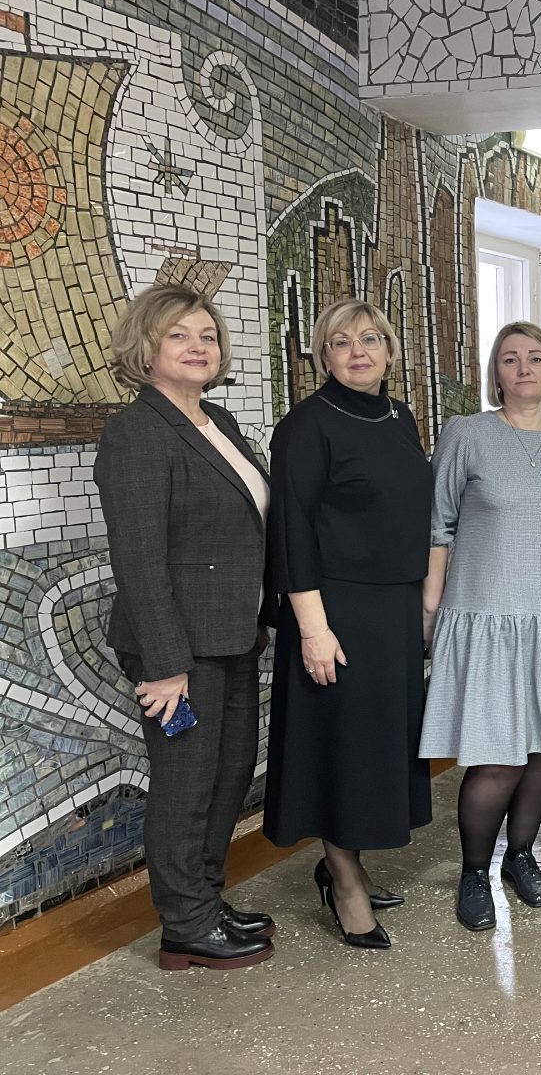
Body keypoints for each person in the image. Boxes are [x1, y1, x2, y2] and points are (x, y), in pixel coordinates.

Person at [95, 284, 275, 971]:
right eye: (179, 335)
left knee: (228, 776)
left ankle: (205, 899)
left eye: (207, 335)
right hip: (178, 650)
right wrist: (166, 665)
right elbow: (139, 559)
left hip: (231, 635)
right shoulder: (136, 432)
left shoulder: (216, 420)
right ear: (146, 348)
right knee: (185, 785)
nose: (199, 346)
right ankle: (185, 926)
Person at [263, 299, 432, 950]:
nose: (358, 351)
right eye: (341, 342)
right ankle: (344, 881)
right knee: (340, 748)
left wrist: (422, 606)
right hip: (333, 610)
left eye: (370, 339)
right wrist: (313, 629)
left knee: (372, 748)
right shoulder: (306, 425)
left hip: (392, 609)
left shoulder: (399, 417)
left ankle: (347, 861)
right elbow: (292, 532)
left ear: (389, 350)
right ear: (323, 355)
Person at [419, 322, 541, 932]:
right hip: (487, 615)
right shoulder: (466, 434)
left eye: (536, 357)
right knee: (497, 754)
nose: (524, 368)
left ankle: (520, 855)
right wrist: (430, 608)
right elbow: (437, 525)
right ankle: (474, 871)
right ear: (495, 371)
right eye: (510, 358)